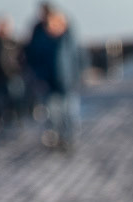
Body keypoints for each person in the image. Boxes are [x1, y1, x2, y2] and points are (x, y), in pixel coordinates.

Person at [26, 4, 79, 148]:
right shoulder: (38, 32)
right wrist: (38, 77)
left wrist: (77, 75)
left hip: (66, 79)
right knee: (53, 112)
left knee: (68, 112)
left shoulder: (66, 32)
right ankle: (57, 138)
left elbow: (76, 55)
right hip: (48, 80)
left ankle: (68, 139)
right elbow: (33, 57)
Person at [0, 16, 24, 125]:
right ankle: (3, 125)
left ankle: (15, 124)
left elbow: (22, 58)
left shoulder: (14, 43)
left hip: (13, 77)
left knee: (15, 102)